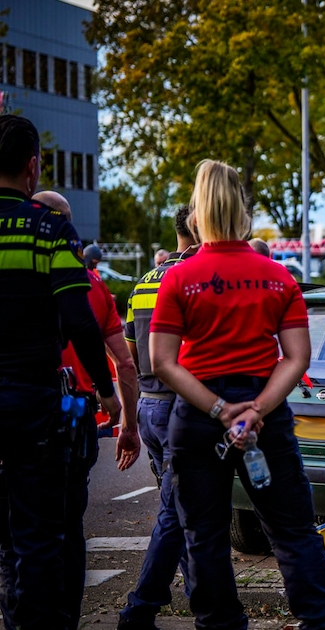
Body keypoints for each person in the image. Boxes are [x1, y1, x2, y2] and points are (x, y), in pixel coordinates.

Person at [149, 159, 325, 628]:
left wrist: (220, 409)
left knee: (204, 535)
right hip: (265, 416)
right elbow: (297, 358)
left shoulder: (178, 277)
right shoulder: (277, 276)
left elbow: (162, 362)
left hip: (198, 418)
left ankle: (220, 623)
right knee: (293, 530)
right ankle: (319, 619)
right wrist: (255, 409)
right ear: (243, 210)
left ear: (197, 215)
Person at [0, 114, 120, 629]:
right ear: (33, 168)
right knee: (39, 538)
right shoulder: (49, 229)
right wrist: (109, 392)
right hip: (32, 400)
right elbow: (79, 318)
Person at [22, 190, 141, 630]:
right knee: (70, 526)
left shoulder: (22, 276)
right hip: (77, 420)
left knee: (18, 530)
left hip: (23, 408)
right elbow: (124, 361)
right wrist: (127, 420)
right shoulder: (91, 284)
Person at [118, 205, 199, 630]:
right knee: (175, 507)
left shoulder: (143, 282)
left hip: (149, 404)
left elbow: (129, 356)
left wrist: (129, 419)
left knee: (177, 503)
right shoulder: (194, 276)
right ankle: (140, 606)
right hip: (179, 404)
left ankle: (197, 592)